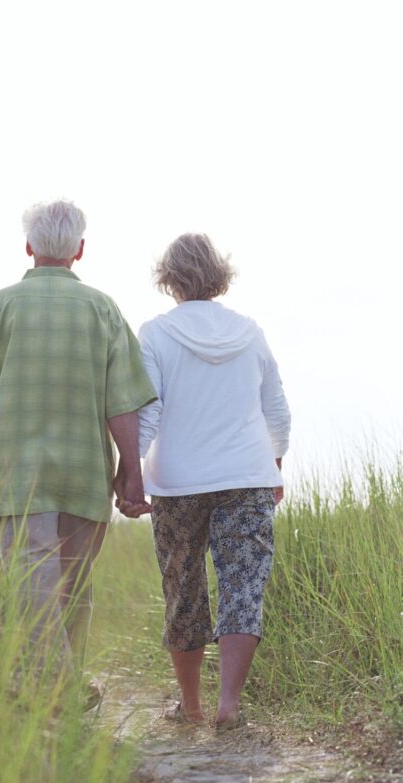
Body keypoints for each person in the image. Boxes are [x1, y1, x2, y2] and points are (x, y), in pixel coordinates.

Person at [0, 200, 155, 680]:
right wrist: (131, 474)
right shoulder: (102, 310)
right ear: (79, 250)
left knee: (32, 583)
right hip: (85, 474)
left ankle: (55, 691)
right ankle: (65, 686)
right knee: (73, 585)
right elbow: (122, 404)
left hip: (18, 473)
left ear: (28, 248)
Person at [137, 233, 291, 729]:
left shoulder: (156, 334)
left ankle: (191, 706)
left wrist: (129, 474)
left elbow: (148, 412)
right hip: (246, 476)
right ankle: (229, 705)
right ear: (220, 275)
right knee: (243, 585)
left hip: (177, 482)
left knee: (183, 587)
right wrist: (274, 465)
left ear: (169, 278)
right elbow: (277, 413)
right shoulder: (250, 333)